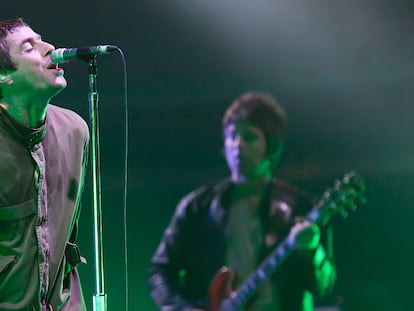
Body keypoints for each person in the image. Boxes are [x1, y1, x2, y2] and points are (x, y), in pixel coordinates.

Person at [148, 92, 337, 311]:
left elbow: (325, 285)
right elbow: (159, 272)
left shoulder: (300, 207)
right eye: (231, 136)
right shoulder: (198, 207)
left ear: (271, 146)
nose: (238, 145)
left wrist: (313, 250)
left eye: (249, 137)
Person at [0, 18, 89, 310]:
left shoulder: (75, 131)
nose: (49, 48)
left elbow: (68, 238)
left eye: (42, 39)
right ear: (4, 76)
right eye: (29, 47)